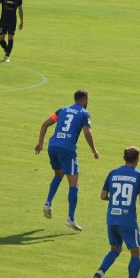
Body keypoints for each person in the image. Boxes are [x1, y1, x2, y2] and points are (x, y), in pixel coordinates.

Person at [34, 90, 100, 231]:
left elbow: (45, 124)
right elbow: (87, 132)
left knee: (58, 174)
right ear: (85, 100)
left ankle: (48, 203)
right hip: (67, 149)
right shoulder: (84, 113)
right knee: (74, 183)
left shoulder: (62, 110)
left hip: (53, 146)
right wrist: (94, 150)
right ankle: (70, 218)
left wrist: (40, 143)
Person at [91, 146, 140, 278]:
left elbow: (103, 196)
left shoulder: (113, 173)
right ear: (137, 159)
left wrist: (116, 200)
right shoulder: (139, 176)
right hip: (127, 220)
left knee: (115, 249)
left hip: (112, 218)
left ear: (124, 158)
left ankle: (100, 272)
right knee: (135, 253)